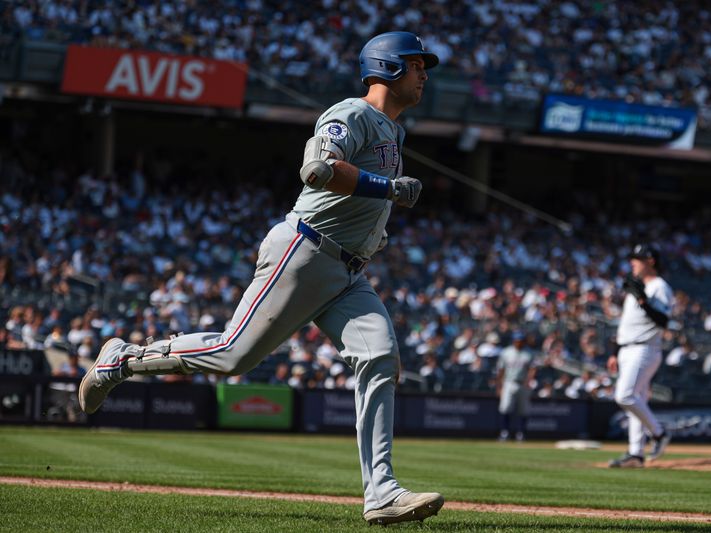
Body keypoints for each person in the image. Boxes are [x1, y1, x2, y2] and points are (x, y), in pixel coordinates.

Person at [79, 31, 444, 525]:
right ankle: (121, 360)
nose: (425, 74)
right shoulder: (352, 114)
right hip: (305, 251)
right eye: (419, 64)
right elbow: (316, 170)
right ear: (390, 67)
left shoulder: (394, 132)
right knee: (232, 356)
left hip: (346, 272)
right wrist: (387, 187)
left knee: (380, 357)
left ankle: (381, 492)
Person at [607, 244, 674, 468]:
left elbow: (664, 322)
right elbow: (626, 325)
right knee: (637, 400)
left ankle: (659, 433)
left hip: (644, 349)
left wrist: (644, 302)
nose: (632, 263)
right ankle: (635, 453)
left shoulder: (660, 287)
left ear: (650, 262)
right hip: (627, 348)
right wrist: (615, 352)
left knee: (624, 396)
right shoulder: (636, 288)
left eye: (637, 259)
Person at [496, 331, 535, 442]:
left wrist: (529, 380)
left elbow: (533, 368)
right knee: (505, 407)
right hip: (509, 382)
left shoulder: (528, 353)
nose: (519, 342)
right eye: (517, 340)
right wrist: (499, 386)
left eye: (521, 340)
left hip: (523, 383)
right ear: (514, 341)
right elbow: (501, 370)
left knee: (524, 409)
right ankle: (504, 432)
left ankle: (521, 433)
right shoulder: (506, 352)